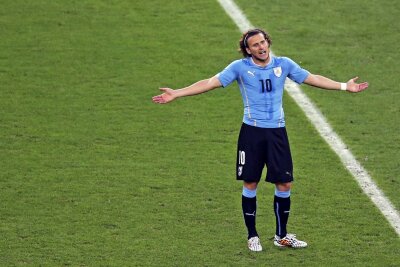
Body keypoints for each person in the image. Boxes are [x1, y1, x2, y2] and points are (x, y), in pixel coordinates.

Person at [152, 28, 368, 252]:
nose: (261, 47)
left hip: (277, 133)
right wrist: (177, 92)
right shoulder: (240, 68)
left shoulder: (283, 64)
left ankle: (282, 236)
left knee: (284, 183)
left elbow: (312, 78)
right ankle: (252, 235)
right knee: (250, 182)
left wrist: (345, 86)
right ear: (248, 50)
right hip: (252, 133)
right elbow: (208, 82)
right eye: (255, 45)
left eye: (263, 42)